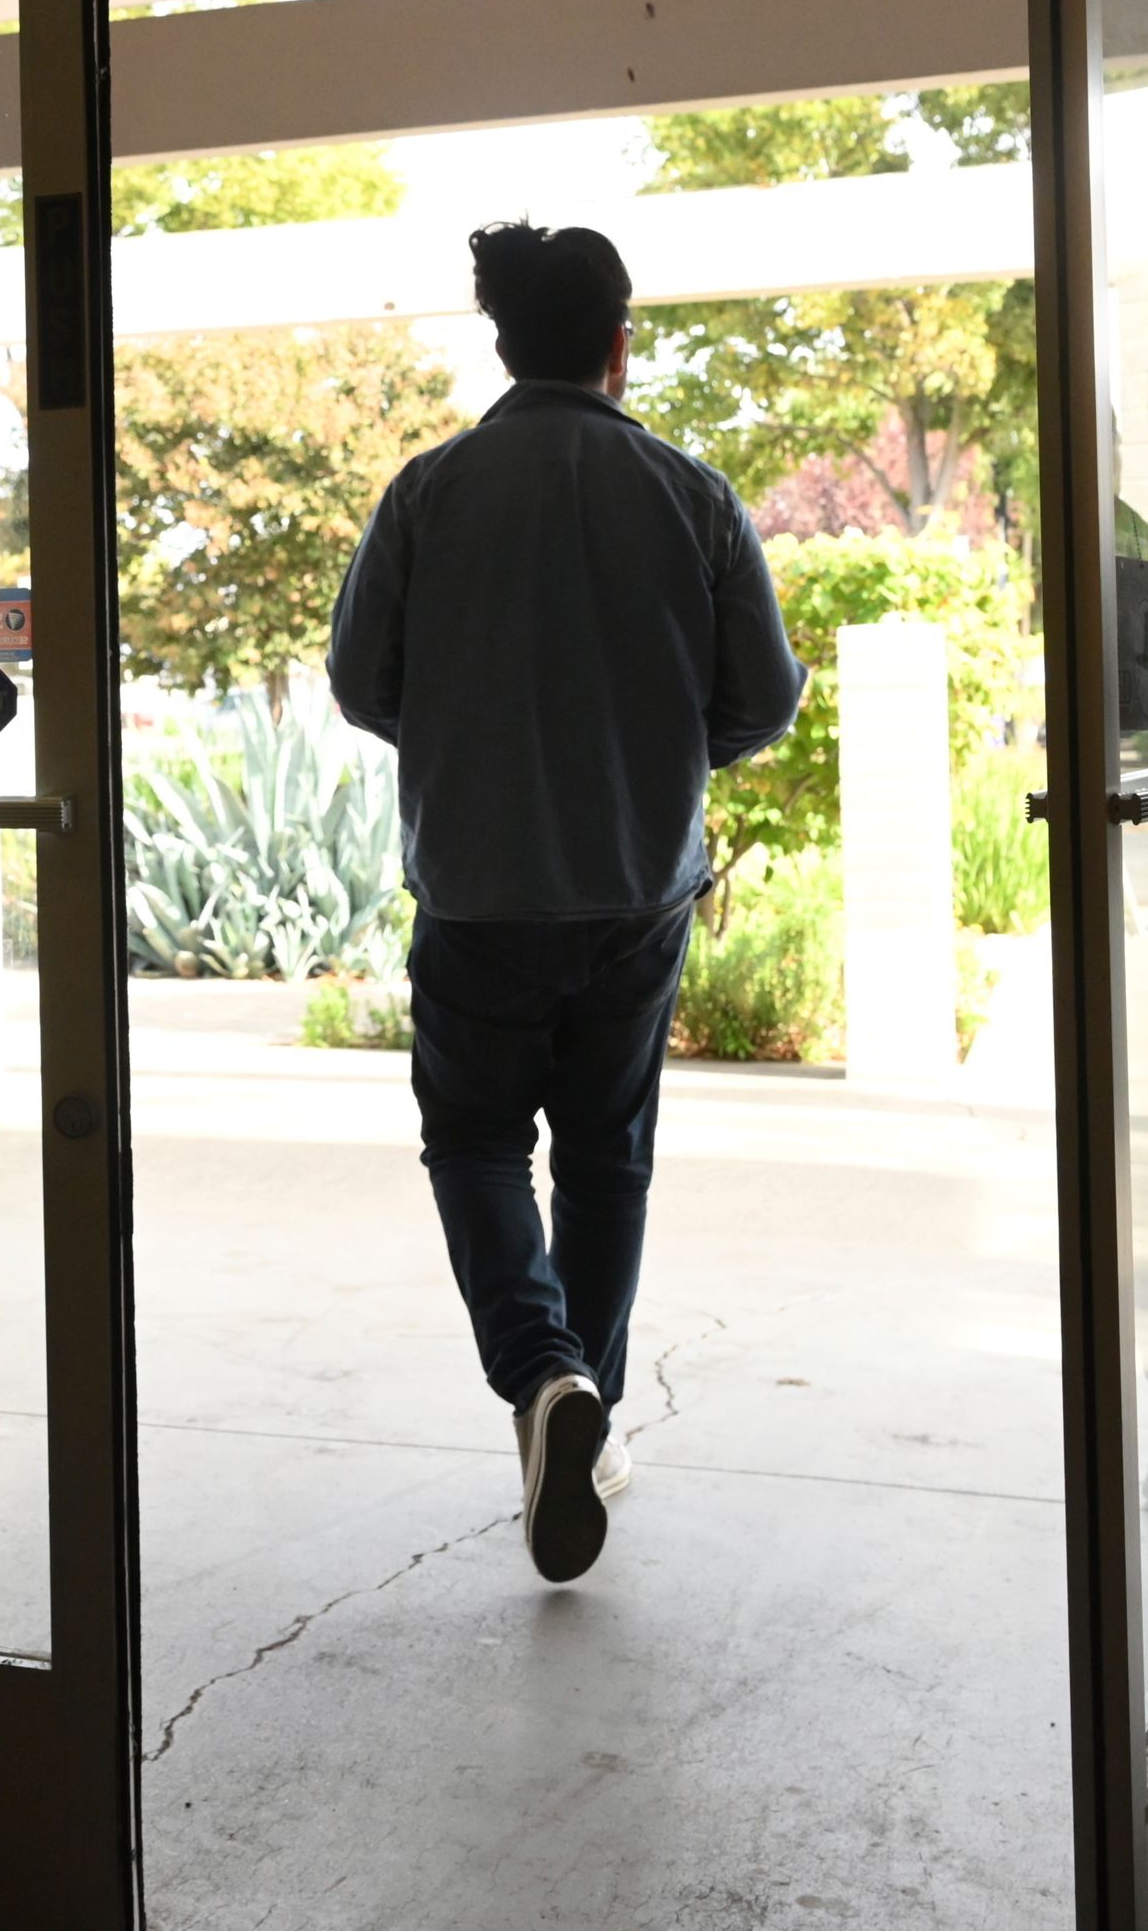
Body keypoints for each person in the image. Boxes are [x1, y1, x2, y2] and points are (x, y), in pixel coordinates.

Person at [325, 221, 807, 1583]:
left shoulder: (427, 493)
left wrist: (469, 732)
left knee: (476, 1145)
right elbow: (762, 699)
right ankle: (576, 1416)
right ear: (619, 341)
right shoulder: (690, 494)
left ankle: (547, 1384)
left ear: (503, 342)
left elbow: (364, 683)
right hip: (636, 890)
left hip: (478, 891)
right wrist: (656, 756)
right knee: (605, 1160)